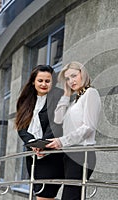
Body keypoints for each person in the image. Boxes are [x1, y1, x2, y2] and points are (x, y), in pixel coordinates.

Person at [46, 61, 101, 200]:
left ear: (83, 73)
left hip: (83, 153)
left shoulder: (91, 93)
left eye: (74, 76)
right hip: (70, 154)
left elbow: (88, 127)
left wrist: (61, 141)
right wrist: (66, 94)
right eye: (67, 79)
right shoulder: (74, 101)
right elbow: (58, 119)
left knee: (70, 196)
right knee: (72, 195)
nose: (71, 81)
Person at [15, 65, 64, 200]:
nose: (43, 84)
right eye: (40, 80)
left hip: (51, 153)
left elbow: (56, 125)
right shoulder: (25, 100)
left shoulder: (59, 96)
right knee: (40, 194)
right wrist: (31, 143)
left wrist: (42, 145)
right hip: (32, 154)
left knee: (45, 195)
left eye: (47, 81)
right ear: (33, 81)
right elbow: (21, 126)